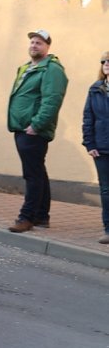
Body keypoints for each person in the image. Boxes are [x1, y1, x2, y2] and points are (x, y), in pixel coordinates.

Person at [7, 29, 68, 233]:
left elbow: (52, 100)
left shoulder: (52, 69)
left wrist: (36, 125)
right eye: (32, 42)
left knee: (32, 174)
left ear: (48, 46)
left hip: (33, 130)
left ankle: (27, 217)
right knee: (38, 172)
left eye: (39, 43)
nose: (34, 45)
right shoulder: (26, 67)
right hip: (21, 127)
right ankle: (42, 216)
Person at [81, 52, 109, 244]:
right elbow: (88, 117)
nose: (106, 63)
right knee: (106, 190)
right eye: (104, 61)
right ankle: (108, 229)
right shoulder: (95, 89)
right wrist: (89, 143)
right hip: (101, 147)